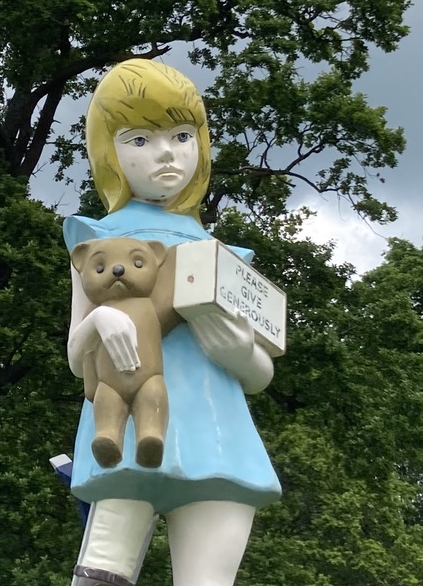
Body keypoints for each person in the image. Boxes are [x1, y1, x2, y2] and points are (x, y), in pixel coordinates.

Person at [64, 59, 281, 586]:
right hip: (123, 432)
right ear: (108, 150)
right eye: (139, 139)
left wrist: (237, 351)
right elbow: (75, 356)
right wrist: (100, 325)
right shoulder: (95, 237)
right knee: (101, 578)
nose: (166, 153)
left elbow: (259, 371)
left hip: (219, 434)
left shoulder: (221, 255)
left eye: (182, 135)